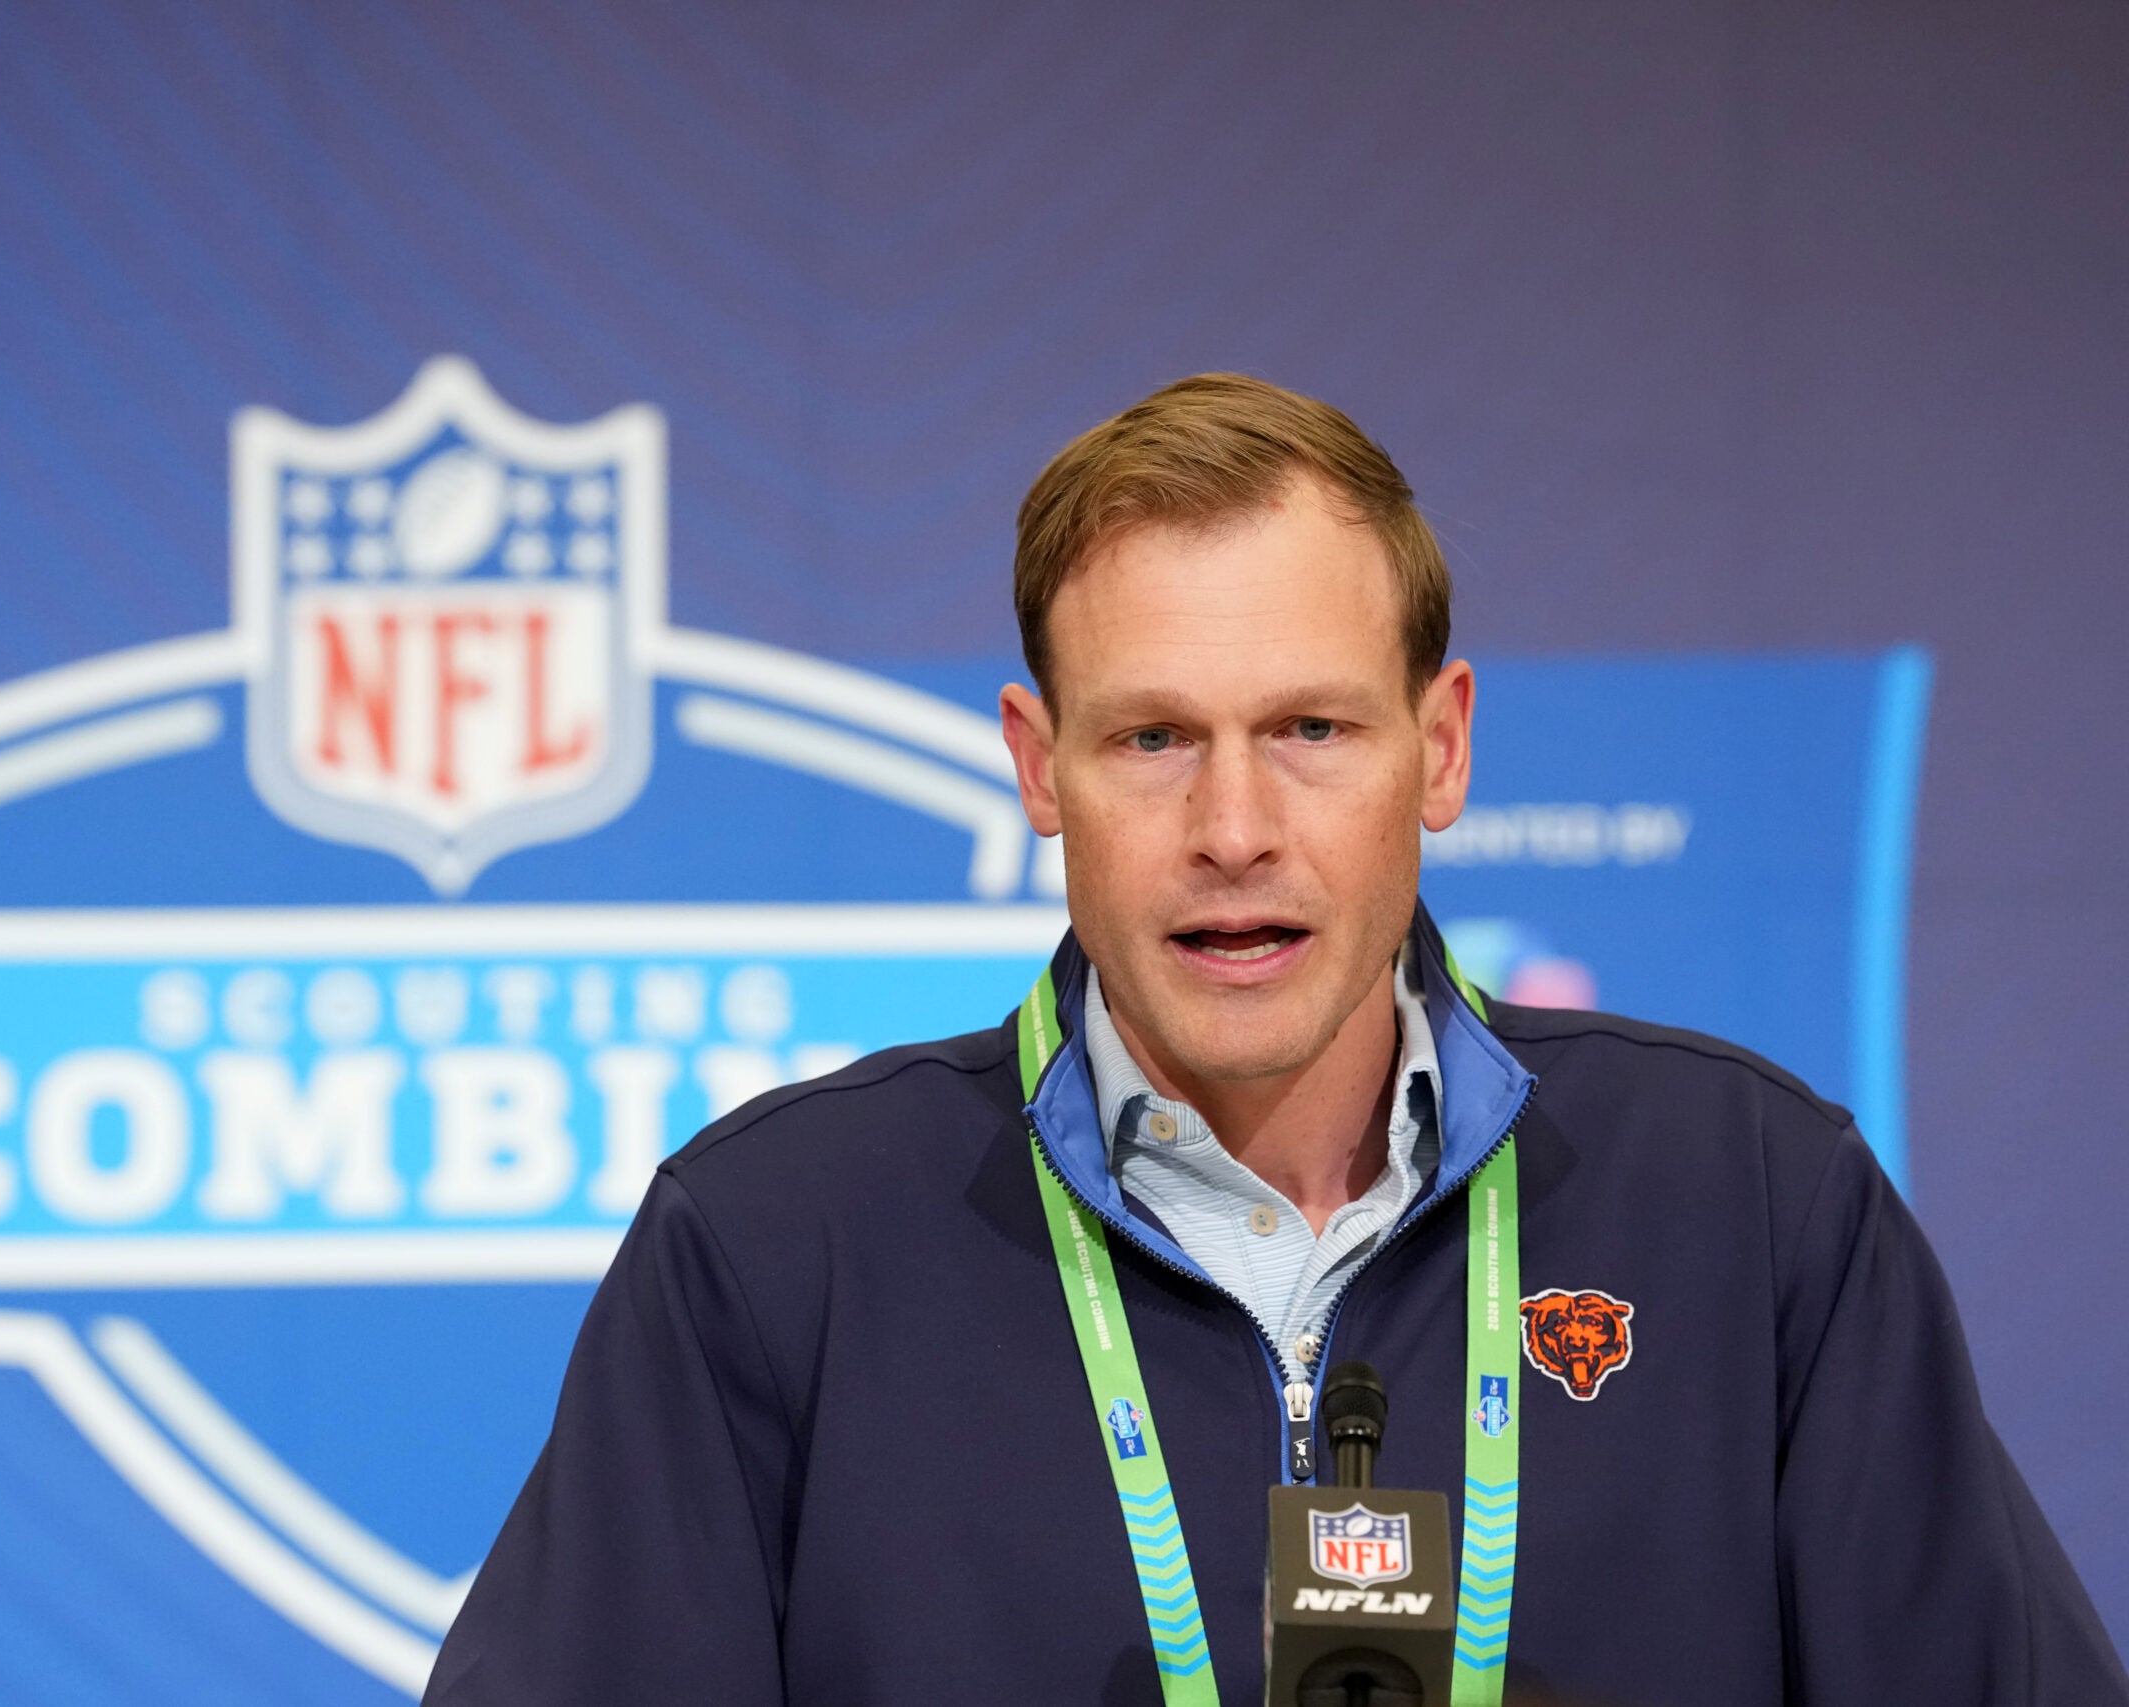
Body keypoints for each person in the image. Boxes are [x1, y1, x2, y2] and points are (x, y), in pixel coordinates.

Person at [423, 375, 2126, 1705]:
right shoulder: (776, 1245)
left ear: (1440, 749)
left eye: (1312, 727)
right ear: (1037, 768)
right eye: (1154, 736)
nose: (1234, 825)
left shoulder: (1755, 1203)